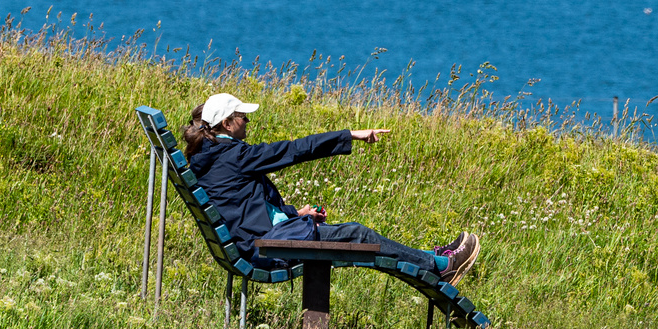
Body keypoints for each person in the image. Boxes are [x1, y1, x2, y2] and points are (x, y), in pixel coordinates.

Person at [183, 92, 479, 283]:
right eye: (243, 116)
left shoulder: (208, 157)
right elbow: (295, 150)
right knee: (356, 233)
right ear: (227, 123)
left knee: (352, 234)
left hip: (257, 241)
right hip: (266, 248)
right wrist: (350, 134)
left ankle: (432, 257)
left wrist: (294, 213)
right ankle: (440, 266)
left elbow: (240, 204)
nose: (247, 121)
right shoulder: (234, 156)